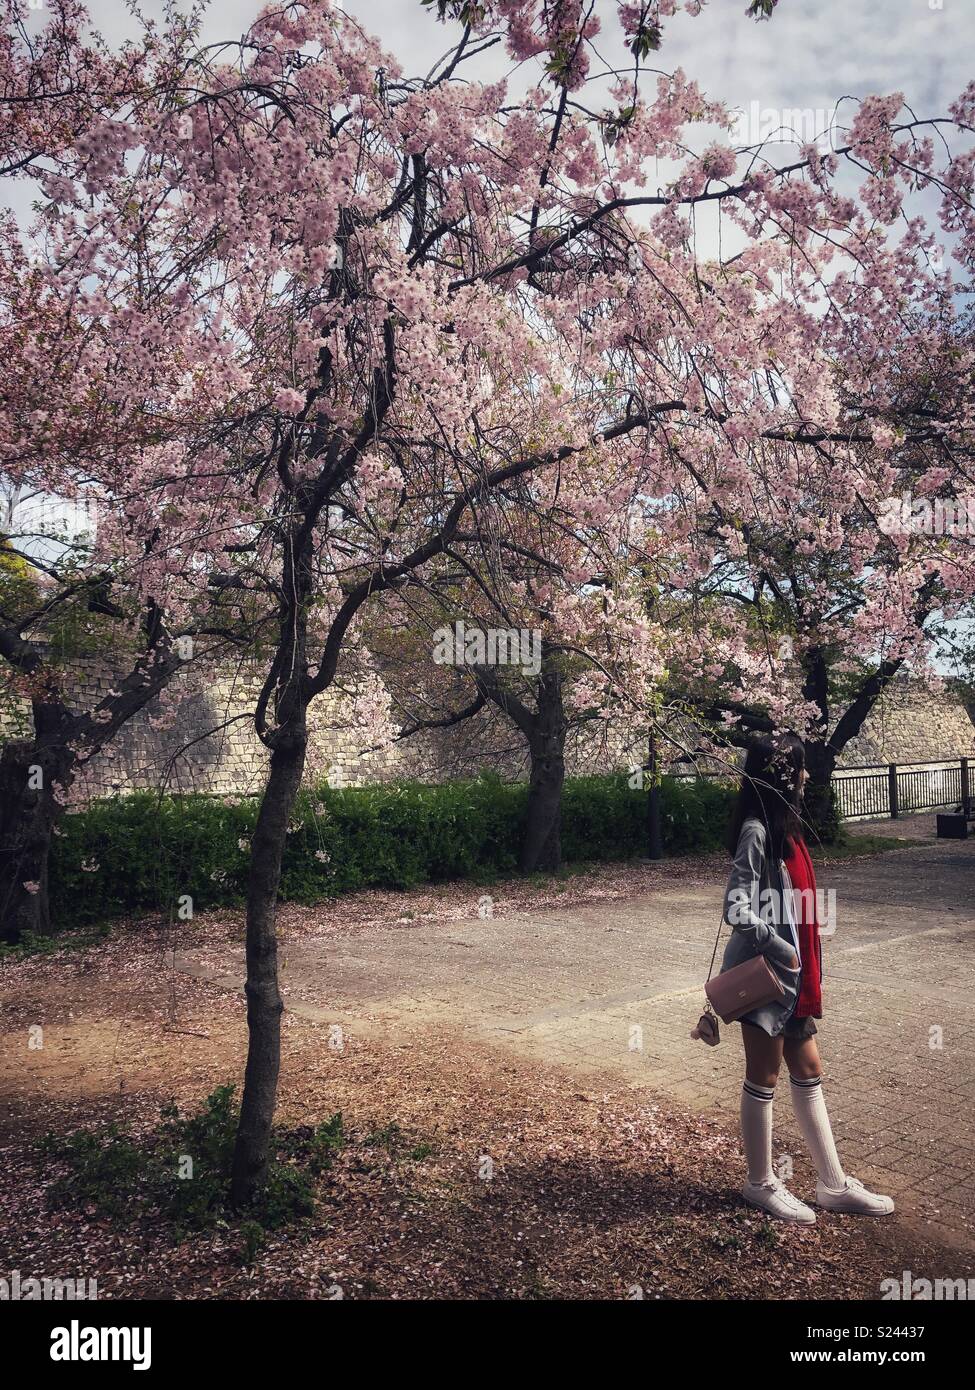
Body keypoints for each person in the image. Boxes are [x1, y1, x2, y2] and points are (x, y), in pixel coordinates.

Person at [722, 734, 894, 1223]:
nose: (805, 776)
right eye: (798, 768)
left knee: (809, 1070)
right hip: (765, 979)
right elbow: (735, 907)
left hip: (793, 983)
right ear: (781, 775)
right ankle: (760, 1183)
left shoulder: (787, 830)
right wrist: (784, 949)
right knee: (764, 1077)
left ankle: (833, 1185)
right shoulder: (758, 831)